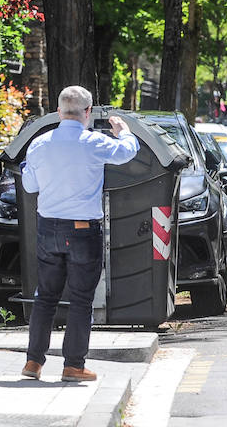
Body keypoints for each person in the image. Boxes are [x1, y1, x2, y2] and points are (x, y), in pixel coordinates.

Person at [20, 86, 139, 382]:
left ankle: (33, 363)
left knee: (45, 296)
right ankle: (73, 365)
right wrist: (123, 130)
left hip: (48, 228)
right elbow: (127, 152)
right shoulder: (93, 142)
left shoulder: (39, 144)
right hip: (83, 231)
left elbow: (30, 187)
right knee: (81, 298)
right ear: (87, 113)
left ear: (59, 111)